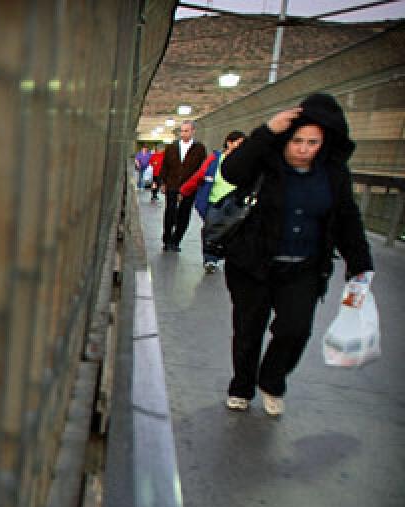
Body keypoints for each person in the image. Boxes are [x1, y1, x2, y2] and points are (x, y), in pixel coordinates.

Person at [218, 94, 373, 417]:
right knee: (248, 330)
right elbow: (232, 171)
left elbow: (347, 218)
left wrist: (360, 264)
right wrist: (267, 131)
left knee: (295, 328)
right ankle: (241, 387)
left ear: (325, 142)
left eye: (312, 142)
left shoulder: (333, 174)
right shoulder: (265, 162)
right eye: (297, 140)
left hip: (303, 267)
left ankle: (272, 382)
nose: (303, 149)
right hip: (253, 264)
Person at [179, 130, 245, 273]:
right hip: (214, 201)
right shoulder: (215, 159)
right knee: (211, 230)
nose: (241, 148)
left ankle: (228, 256)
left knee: (234, 231)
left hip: (235, 201)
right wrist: (185, 190)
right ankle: (210, 259)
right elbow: (200, 175)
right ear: (229, 143)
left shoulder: (245, 162)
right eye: (239, 144)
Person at [160, 120, 208, 251]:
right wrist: (163, 182)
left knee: (184, 214)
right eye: (182, 131)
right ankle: (167, 239)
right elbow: (165, 166)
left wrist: (198, 185)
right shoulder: (171, 147)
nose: (183, 133)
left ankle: (176, 241)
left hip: (189, 186)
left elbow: (202, 168)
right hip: (172, 184)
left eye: (186, 131)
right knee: (170, 212)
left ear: (192, 131)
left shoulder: (199, 148)